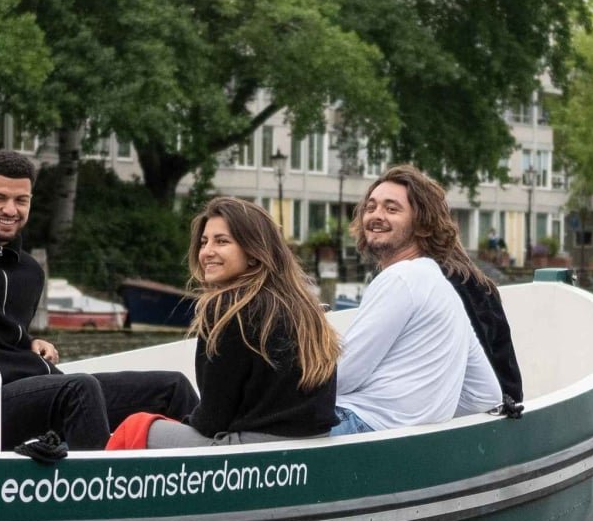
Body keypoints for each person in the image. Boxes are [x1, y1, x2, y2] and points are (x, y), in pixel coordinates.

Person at [0, 150, 198, 451]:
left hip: (40, 385)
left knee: (172, 387)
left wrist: (31, 341)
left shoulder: (30, 272)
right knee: (80, 389)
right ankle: (98, 494)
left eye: (21, 200)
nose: (10, 209)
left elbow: (3, 333)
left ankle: (216, 470)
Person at [145, 197, 339, 448]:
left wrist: (180, 424)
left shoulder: (230, 308)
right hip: (311, 445)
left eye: (222, 241)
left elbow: (212, 421)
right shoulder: (306, 309)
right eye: (204, 242)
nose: (207, 252)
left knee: (138, 425)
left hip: (251, 454)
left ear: (253, 252)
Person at [330, 166, 503, 436]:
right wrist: (418, 416)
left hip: (356, 424)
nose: (376, 216)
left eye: (391, 209)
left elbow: (342, 375)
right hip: (408, 440)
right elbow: (485, 395)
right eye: (371, 207)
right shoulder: (440, 286)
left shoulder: (400, 279)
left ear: (421, 223)